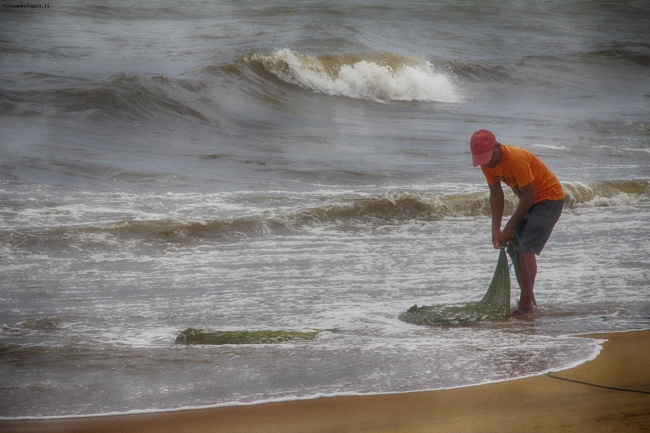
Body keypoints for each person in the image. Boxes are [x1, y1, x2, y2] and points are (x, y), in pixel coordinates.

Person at [470, 129, 565, 316]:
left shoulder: (516, 159)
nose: (487, 162)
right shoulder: (486, 164)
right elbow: (496, 195)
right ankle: (528, 296)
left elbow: (530, 195)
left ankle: (525, 305)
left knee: (526, 250)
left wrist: (510, 226)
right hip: (529, 202)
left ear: (498, 147)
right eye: (482, 159)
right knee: (514, 249)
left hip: (548, 200)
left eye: (488, 156)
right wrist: (496, 229)